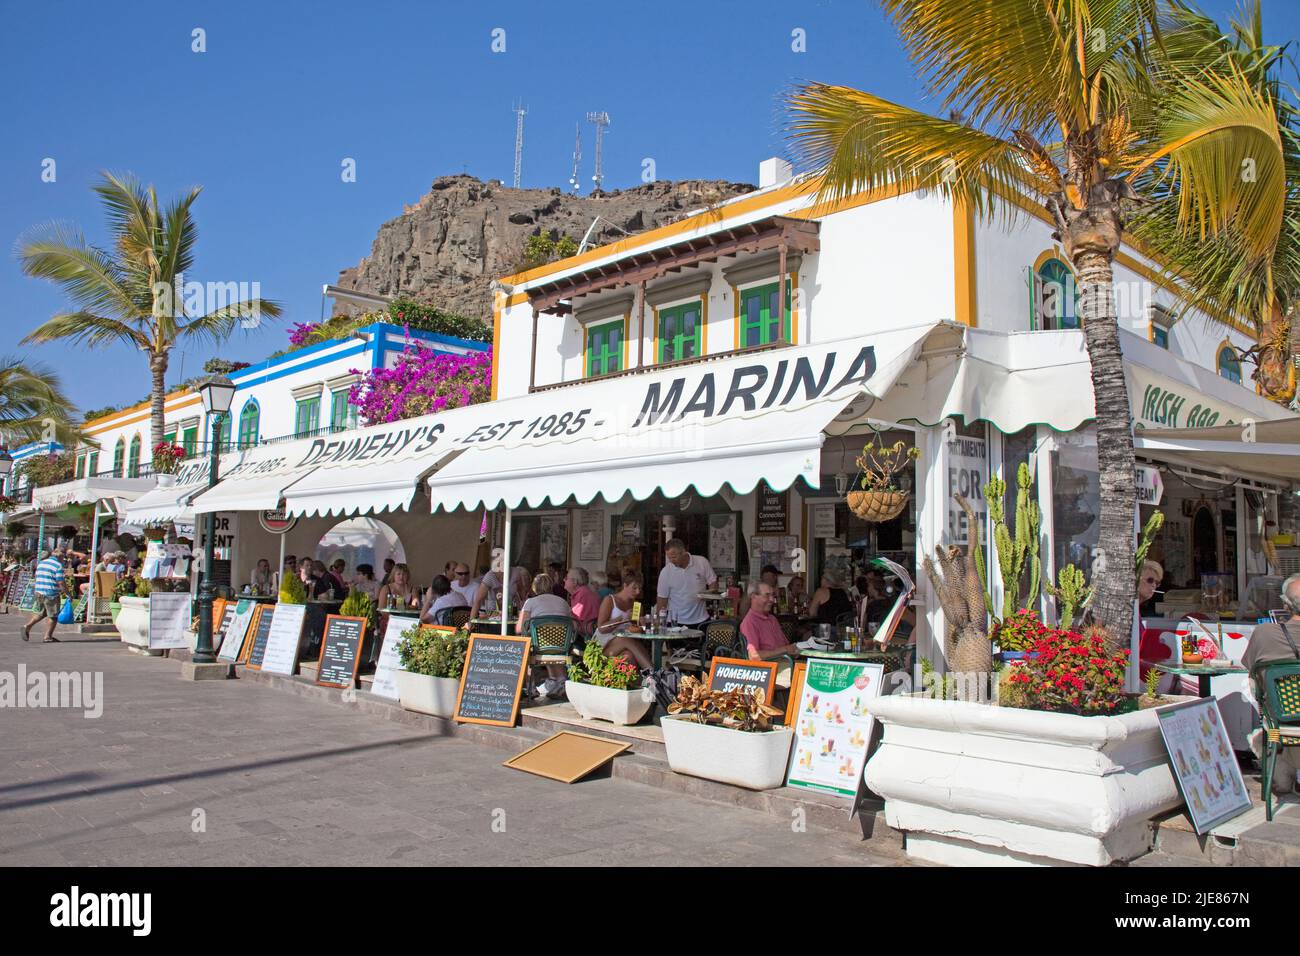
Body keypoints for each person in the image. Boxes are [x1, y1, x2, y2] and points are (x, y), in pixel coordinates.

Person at [1243, 575, 1300, 798]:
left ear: (1285, 605)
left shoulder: (1263, 634)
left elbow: (1250, 673)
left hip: (1280, 717)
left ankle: (1283, 774)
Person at [515, 573, 575, 699]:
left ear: (534, 587)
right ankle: (558, 681)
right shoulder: (563, 602)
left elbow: (519, 628)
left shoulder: (530, 602)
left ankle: (529, 687)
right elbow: (573, 625)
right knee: (551, 641)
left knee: (521, 645)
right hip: (561, 647)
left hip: (539, 647)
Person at [741, 582, 799, 689]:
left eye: (773, 595)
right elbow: (754, 656)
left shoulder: (772, 619)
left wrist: (793, 650)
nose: (772, 599)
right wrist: (785, 650)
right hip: (769, 671)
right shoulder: (749, 622)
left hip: (784, 663)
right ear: (754, 596)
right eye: (767, 595)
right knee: (805, 678)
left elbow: (786, 646)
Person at [594, 570, 651, 668]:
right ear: (625, 585)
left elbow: (636, 632)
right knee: (625, 640)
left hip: (625, 645)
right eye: (634, 588)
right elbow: (601, 628)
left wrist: (642, 625)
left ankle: (648, 681)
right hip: (604, 645)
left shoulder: (637, 606)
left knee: (629, 656)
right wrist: (622, 618)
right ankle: (654, 673)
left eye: (640, 588)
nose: (638, 591)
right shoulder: (610, 600)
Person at [656, 538, 716, 628]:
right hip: (675, 621)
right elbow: (662, 599)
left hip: (701, 619)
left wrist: (708, 595)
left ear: (683, 552)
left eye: (674, 557)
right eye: (669, 558)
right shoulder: (666, 572)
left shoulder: (701, 562)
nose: (672, 561)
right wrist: (659, 623)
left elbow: (713, 582)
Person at [23, 550, 65, 643]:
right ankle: (48, 636)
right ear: (60, 557)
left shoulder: (41, 563)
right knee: (53, 616)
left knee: (41, 613)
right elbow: (60, 582)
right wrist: (67, 593)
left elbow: (36, 577)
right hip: (51, 593)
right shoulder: (58, 565)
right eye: (63, 557)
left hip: (39, 592)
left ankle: (27, 626)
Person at [565, 567, 600, 637]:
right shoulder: (583, 592)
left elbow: (575, 622)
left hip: (586, 636)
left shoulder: (582, 595)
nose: (564, 580)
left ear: (575, 582)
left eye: (566, 578)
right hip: (587, 632)